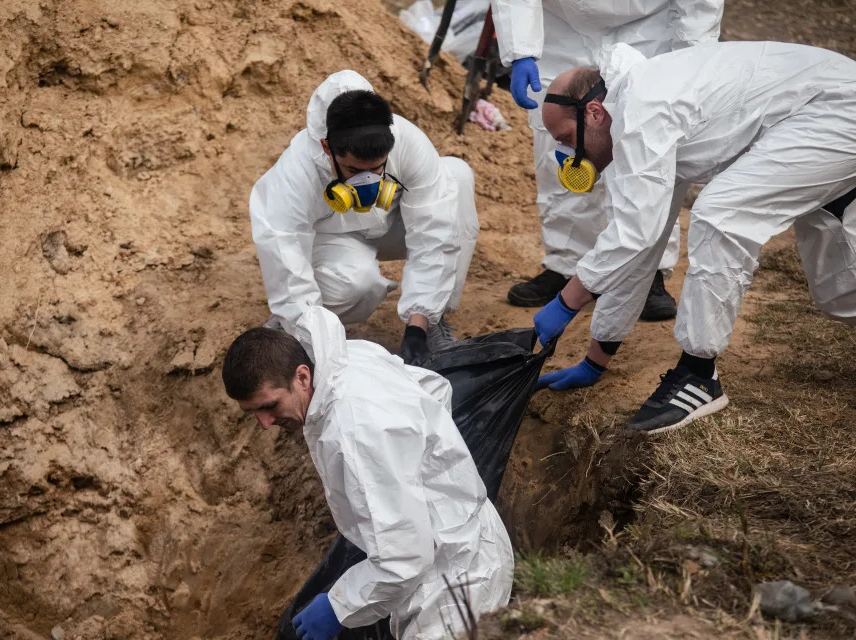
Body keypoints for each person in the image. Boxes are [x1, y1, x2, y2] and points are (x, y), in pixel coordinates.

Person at [533, 41, 856, 434]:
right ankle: (694, 375)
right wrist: (596, 358)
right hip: (847, 112)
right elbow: (640, 245)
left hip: (844, 110)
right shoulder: (633, 127)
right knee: (849, 290)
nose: (569, 155)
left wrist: (564, 304)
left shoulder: (643, 110)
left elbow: (634, 237)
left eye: (567, 139)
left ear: (594, 113)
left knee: (721, 213)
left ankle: (698, 376)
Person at [221, 306, 514, 639]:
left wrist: (339, 606)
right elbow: (436, 389)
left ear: (302, 376)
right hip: (450, 546)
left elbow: (405, 557)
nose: (264, 423)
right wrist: (428, 473)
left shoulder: (356, 430)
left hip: (456, 580)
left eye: (269, 406)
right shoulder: (346, 361)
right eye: (252, 412)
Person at [490, 0, 724, 319]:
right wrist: (520, 49)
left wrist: (694, 57)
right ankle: (566, 265)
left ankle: (647, 272)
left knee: (648, 146)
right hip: (562, 30)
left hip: (650, 27)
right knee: (560, 145)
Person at [249, 70, 479, 367]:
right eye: (355, 171)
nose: (368, 181)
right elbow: (285, 255)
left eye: (378, 168)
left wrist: (417, 327)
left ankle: (434, 322)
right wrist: (310, 337)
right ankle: (294, 323)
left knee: (456, 176)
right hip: (334, 239)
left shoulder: (407, 141)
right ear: (327, 148)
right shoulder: (296, 172)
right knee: (359, 286)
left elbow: (435, 232)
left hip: (392, 224)